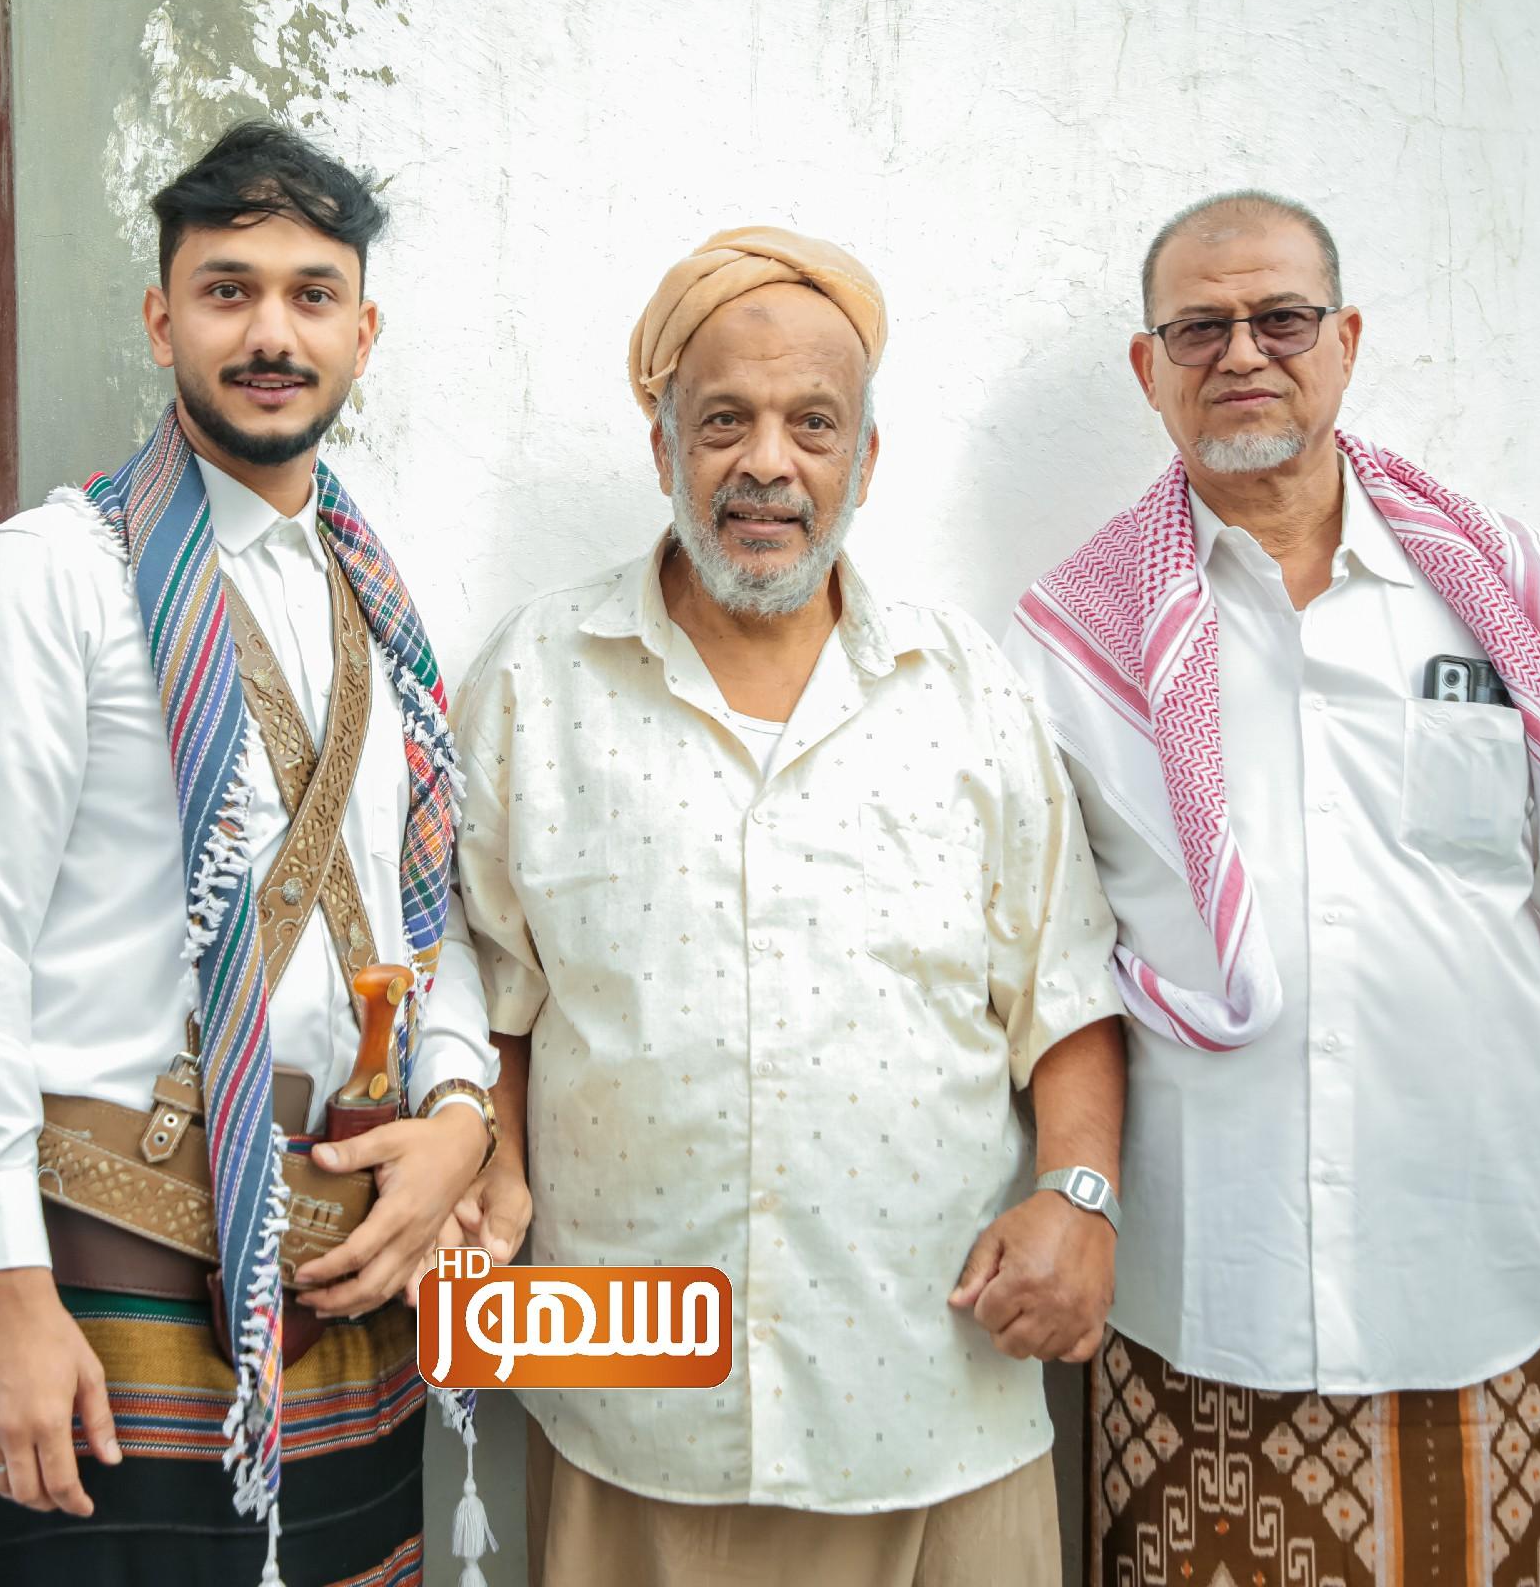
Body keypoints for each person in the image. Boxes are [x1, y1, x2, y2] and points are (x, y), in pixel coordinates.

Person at [1007, 190, 1540, 1586]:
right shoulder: (1072, 643)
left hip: (1486, 1281)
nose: (1244, 352)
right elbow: (1059, 962)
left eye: (1282, 318)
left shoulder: (1520, 593)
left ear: (1347, 340)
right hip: (1208, 1303)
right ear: (1148, 366)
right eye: (1200, 328)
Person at [449, 227, 1128, 1587]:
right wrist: (493, 1166)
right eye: (724, 422)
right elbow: (487, 990)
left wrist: (1080, 1195)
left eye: (813, 424)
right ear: (662, 446)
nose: (767, 463)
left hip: (934, 1386)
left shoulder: (964, 688)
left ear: (865, 459)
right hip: (631, 1389)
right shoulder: (537, 676)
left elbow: (1064, 991)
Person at [0, 120, 500, 1587]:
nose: (271, 332)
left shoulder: (379, 608)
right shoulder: (51, 577)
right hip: (112, 1268)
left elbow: (425, 920)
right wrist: (7, 1292)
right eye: (229, 290)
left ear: (362, 333)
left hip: (353, 1275)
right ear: (163, 320)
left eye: (310, 294)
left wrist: (460, 1115)